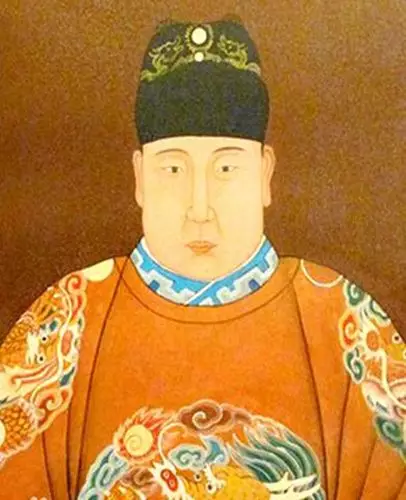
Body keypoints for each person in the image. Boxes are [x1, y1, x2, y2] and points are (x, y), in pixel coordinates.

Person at [0, 18, 404, 500]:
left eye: (227, 168)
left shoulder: (344, 319)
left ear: (265, 175)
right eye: (172, 168)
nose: (199, 208)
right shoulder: (68, 320)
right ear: (139, 179)